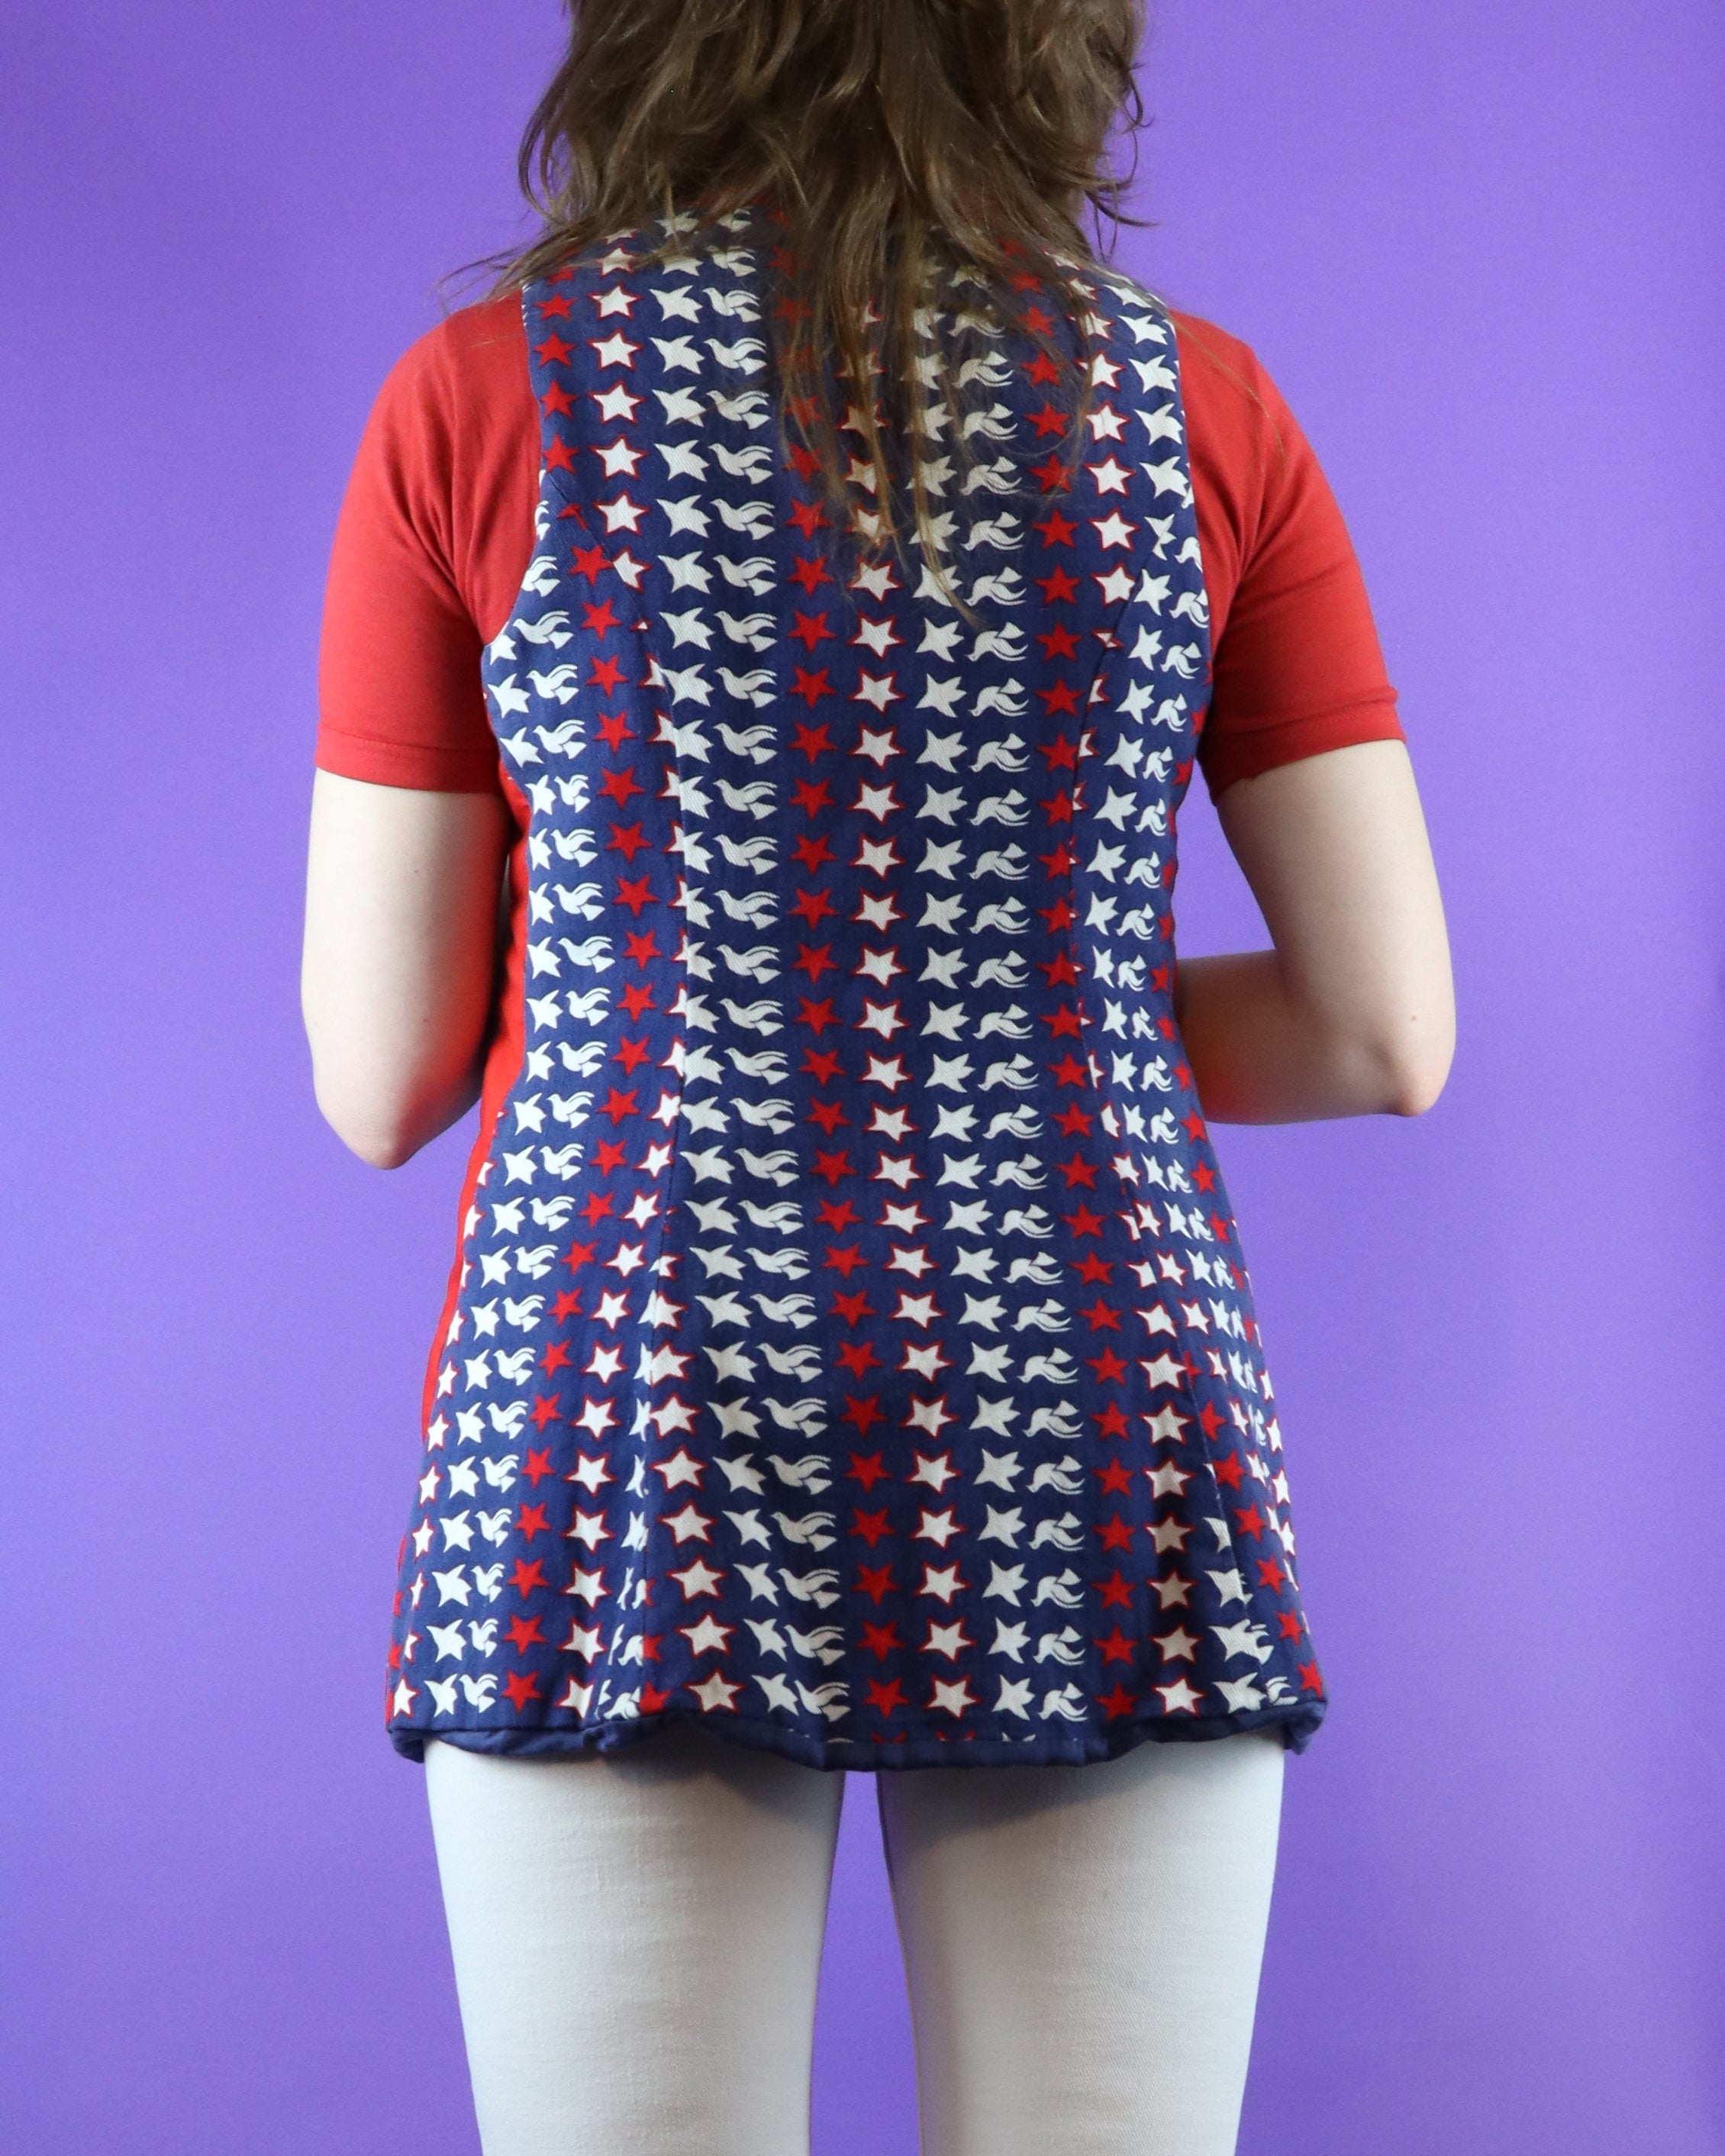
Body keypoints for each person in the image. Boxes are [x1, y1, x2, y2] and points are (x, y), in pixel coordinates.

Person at [301, 3, 1455, 2150]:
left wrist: (717, 974)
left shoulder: (484, 395)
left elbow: (379, 1074)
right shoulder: (1197, 407)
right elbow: (1382, 1029)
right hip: (1085, 1383)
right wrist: (1010, 1006)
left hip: (626, 1395)